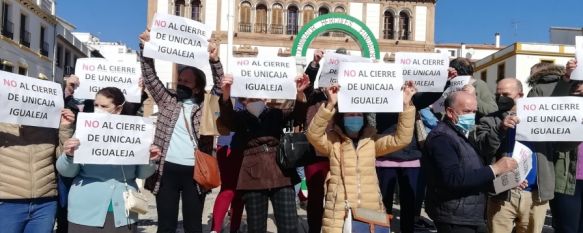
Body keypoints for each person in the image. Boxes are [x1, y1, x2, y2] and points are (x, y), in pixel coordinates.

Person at [139, 29, 224, 233]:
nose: (180, 84)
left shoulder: (206, 106)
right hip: (166, 170)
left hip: (195, 173)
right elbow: (150, 78)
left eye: (186, 81)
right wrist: (145, 48)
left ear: (197, 87)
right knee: (166, 225)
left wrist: (215, 61)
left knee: (193, 226)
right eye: (180, 80)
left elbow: (220, 86)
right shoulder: (168, 100)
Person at [305, 81, 417, 233]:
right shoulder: (333, 142)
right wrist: (330, 104)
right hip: (338, 215)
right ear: (342, 118)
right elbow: (313, 135)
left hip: (369, 213)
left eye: (359, 114)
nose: (355, 117)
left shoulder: (371, 141)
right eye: (351, 114)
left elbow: (402, 139)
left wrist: (406, 105)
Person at [56, 87, 160, 233]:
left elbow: (142, 174)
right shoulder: (84, 130)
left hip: (124, 211)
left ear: (118, 109)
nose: (98, 109)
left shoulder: (135, 133)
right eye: (96, 105)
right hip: (85, 211)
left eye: (104, 106)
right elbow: (66, 171)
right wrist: (70, 155)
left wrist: (150, 160)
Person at [218, 73, 310, 233]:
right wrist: (226, 95)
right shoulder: (240, 118)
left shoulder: (276, 113)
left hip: (281, 174)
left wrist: (300, 93)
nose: (256, 99)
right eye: (251, 97)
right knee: (256, 228)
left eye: (260, 96)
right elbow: (227, 120)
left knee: (289, 226)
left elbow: (298, 116)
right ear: (244, 100)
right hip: (252, 176)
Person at [422, 91, 518, 233]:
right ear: (450, 112)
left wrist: (509, 179)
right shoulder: (441, 138)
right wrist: (495, 168)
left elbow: (472, 170)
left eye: (474, 111)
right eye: (467, 111)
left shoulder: (462, 133)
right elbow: (453, 178)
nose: (471, 116)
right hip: (454, 217)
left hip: (470, 213)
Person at [472, 78, 554, 232]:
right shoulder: (489, 120)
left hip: (536, 195)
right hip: (503, 193)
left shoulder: (542, 118)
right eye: (498, 94)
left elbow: (562, 145)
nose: (501, 98)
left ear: (520, 95)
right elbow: (484, 148)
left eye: (506, 94)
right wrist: (500, 128)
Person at [0, 105, 75, 232]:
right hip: (7, 203)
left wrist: (65, 127)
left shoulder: (49, 125)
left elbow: (64, 160)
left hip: (45, 203)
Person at [529, 59, 583, 233]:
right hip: (565, 175)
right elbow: (541, 117)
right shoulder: (550, 90)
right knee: (567, 228)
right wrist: (567, 82)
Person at [210, 101, 245, 233]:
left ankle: (220, 228)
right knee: (231, 189)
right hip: (231, 146)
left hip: (230, 145)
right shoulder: (234, 96)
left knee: (234, 189)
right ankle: (220, 228)